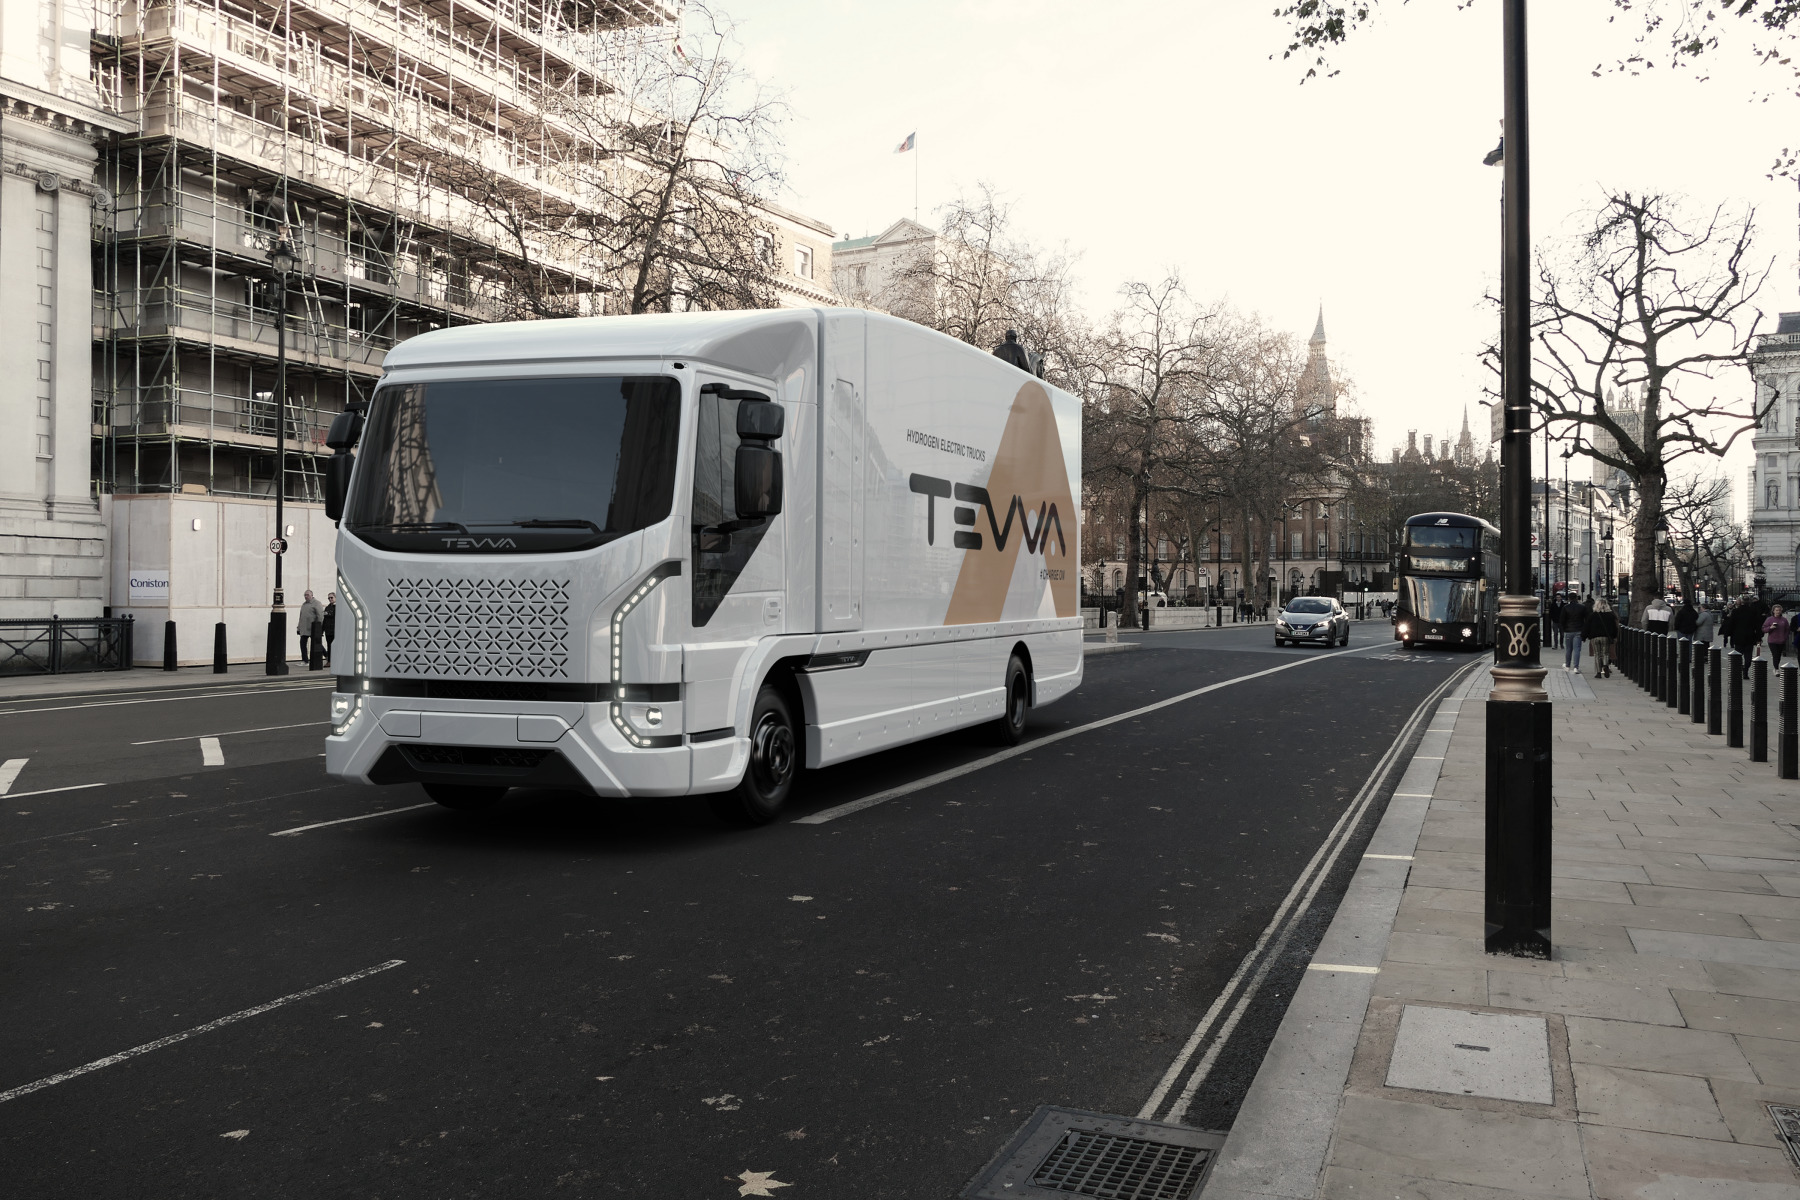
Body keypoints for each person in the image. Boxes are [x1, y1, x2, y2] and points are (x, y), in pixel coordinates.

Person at [1731, 594, 1767, 678]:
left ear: (1741, 602)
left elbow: (1731, 625)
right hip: (1750, 636)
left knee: (1738, 655)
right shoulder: (1753, 611)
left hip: (1738, 636)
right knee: (1748, 656)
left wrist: (1730, 635)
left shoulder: (1735, 611)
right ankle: (1745, 670)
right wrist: (1759, 637)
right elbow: (1757, 626)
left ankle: (1739, 669)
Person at [1584, 597, 1619, 679]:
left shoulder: (1592, 615)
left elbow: (1587, 627)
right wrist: (1613, 636)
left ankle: (1598, 672)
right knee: (1605, 653)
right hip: (1606, 637)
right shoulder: (1610, 615)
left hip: (1594, 637)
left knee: (1597, 654)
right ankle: (1605, 665)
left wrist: (1584, 636)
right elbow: (1614, 628)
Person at [1560, 594, 1589, 671]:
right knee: (1577, 649)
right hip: (1578, 630)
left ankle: (1567, 665)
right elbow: (1586, 620)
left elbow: (1562, 620)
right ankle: (1576, 667)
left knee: (1568, 649)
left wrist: (1563, 630)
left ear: (1569, 598)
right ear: (1576, 598)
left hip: (1568, 630)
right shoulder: (1582, 607)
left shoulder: (1565, 607)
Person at [296, 589, 324, 664]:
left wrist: (319, 626)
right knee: (302, 643)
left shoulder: (317, 603)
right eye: (305, 595)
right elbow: (301, 617)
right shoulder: (304, 605)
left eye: (307, 595)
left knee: (317, 644)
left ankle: (327, 655)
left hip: (313, 628)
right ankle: (305, 660)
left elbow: (320, 616)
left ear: (312, 595)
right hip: (304, 628)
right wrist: (298, 627)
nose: (306, 596)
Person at [1764, 604, 1792, 669]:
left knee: (1778, 655)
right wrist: (1770, 628)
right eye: (1776, 610)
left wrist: (1785, 637)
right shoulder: (1769, 619)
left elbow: (1787, 629)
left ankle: (1776, 666)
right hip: (1772, 640)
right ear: (1773, 611)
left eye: (1779, 610)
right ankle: (1776, 669)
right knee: (1775, 655)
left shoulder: (1784, 620)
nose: (1778, 612)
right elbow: (1764, 629)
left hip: (1781, 640)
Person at [323, 592, 338, 656]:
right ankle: (329, 660)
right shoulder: (327, 608)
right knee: (329, 646)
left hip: (335, 630)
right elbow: (325, 619)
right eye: (329, 598)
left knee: (336, 646)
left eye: (331, 597)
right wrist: (322, 630)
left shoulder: (338, 607)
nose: (330, 599)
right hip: (328, 631)